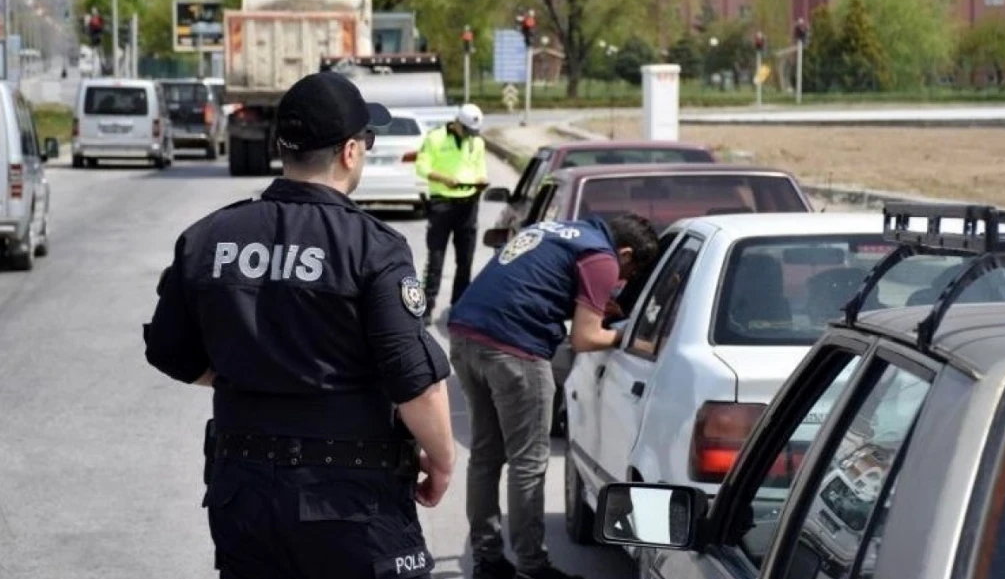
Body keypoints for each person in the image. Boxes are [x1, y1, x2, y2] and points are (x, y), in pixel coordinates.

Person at [142, 70, 456, 579]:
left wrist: (250, 374)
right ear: (350, 152)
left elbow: (169, 351)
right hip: (350, 503)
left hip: (242, 493)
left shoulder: (207, 237)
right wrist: (442, 461)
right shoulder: (373, 247)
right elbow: (414, 381)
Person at [447, 214, 661, 579]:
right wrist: (631, 336)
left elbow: (532, 285)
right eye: (630, 271)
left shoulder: (556, 230)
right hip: (515, 351)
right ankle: (533, 565)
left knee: (485, 455)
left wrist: (582, 304)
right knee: (528, 462)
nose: (622, 281)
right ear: (625, 253)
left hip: (466, 336)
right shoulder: (601, 257)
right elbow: (585, 339)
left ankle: (489, 560)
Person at [414, 103, 488, 325]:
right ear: (457, 123)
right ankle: (426, 308)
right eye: (466, 130)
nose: (469, 136)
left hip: (469, 203)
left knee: (465, 260)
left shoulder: (477, 142)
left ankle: (459, 307)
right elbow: (422, 166)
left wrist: (481, 180)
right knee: (435, 258)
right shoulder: (435, 138)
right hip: (442, 204)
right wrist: (442, 178)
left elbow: (480, 168)